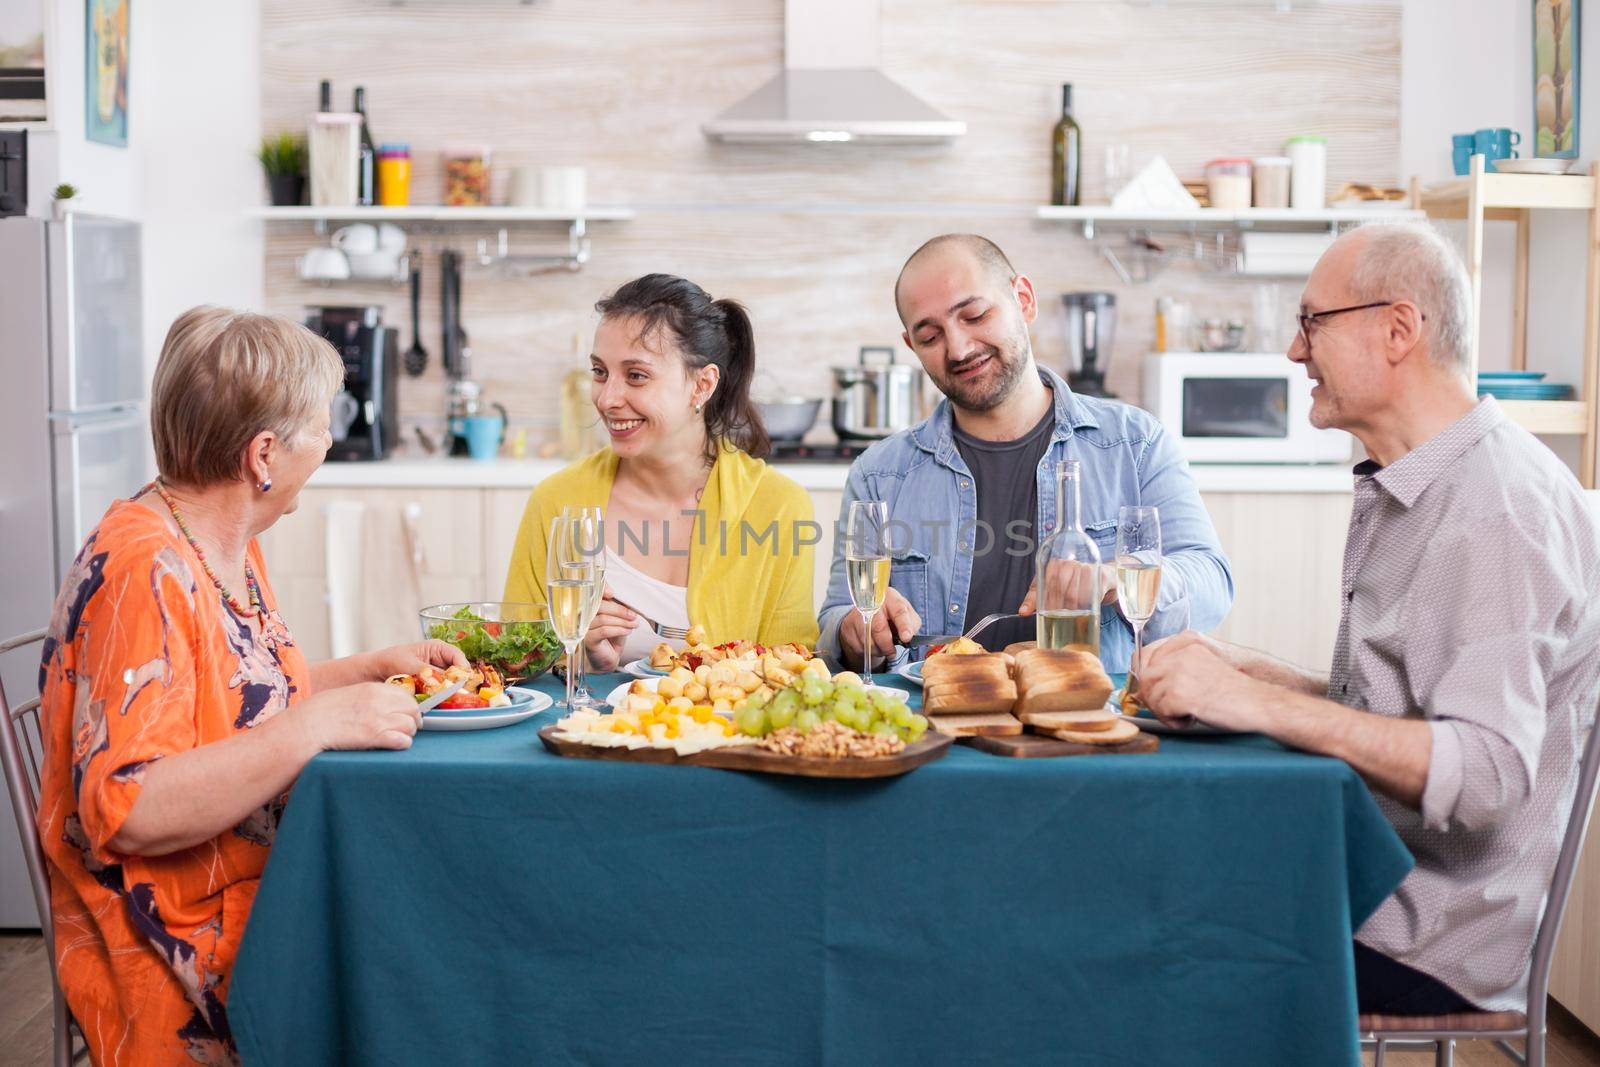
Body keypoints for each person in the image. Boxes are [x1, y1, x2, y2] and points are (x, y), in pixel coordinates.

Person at [1139, 222, 1600, 1015]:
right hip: (1380, 871)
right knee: (1147, 870)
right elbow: (1415, 710)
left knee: (1145, 934)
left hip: (1432, 929)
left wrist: (1253, 704)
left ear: (1398, 329)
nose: (1293, 350)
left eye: (1312, 321)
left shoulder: (1499, 511)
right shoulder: (1421, 481)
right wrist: (1270, 676)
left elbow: (1486, 771)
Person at [35, 307, 466, 1064]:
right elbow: (127, 808)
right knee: (426, 947)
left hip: (251, 872)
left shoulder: (220, 535)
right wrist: (317, 724)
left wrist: (363, 671)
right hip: (170, 933)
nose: (330, 441)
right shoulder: (145, 570)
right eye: (320, 425)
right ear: (263, 454)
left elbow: (241, 699)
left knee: (428, 911)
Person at [816, 234, 1233, 672]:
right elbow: (838, 618)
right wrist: (855, 631)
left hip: (1085, 721)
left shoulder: (1136, 445)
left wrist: (1117, 578)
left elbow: (1211, 585)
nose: (958, 349)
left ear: (1024, 300)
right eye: (931, 336)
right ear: (912, 345)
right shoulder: (879, 475)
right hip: (932, 725)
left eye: (975, 315)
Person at [504, 274, 818, 671]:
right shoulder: (556, 502)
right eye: (600, 372)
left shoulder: (778, 506)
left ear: (702, 385)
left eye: (636, 376)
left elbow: (793, 668)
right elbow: (513, 669)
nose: (607, 398)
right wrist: (582, 660)